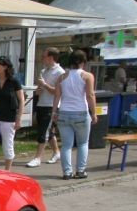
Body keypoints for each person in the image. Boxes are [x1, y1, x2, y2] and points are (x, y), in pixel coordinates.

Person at [53, 50, 98, 180]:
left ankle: (67, 172)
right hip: (81, 112)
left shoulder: (61, 77)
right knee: (83, 143)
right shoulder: (87, 76)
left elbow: (57, 96)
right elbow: (90, 95)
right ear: (83, 62)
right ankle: (80, 170)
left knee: (66, 145)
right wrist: (94, 113)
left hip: (64, 112)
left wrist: (54, 112)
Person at [26, 47, 63, 167]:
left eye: (44, 56)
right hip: (41, 103)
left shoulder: (60, 72)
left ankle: (37, 158)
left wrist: (45, 85)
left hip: (51, 106)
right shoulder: (43, 71)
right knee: (48, 131)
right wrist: (38, 90)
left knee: (43, 132)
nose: (42, 58)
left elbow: (57, 92)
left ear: (51, 58)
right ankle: (57, 152)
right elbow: (40, 89)